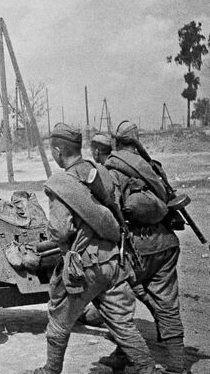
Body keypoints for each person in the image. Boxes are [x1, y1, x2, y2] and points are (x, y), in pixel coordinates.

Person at [25, 123, 156, 374]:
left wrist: (55, 236)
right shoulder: (99, 172)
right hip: (113, 261)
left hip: (84, 267)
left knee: (58, 320)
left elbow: (61, 231)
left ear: (57, 150)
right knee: (122, 323)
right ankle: (147, 368)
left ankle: (50, 370)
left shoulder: (61, 183)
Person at [100, 121, 185, 374]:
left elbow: (108, 212)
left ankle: (127, 354)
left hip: (134, 247)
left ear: (117, 141)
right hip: (166, 244)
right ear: (137, 141)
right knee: (167, 301)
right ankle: (177, 364)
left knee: (115, 300)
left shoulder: (112, 169)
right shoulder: (153, 168)